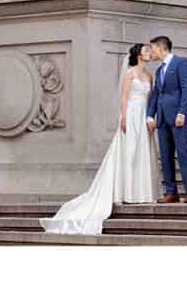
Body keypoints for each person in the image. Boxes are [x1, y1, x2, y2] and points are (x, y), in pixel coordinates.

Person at [40, 43, 159, 234]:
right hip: (131, 114)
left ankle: (142, 191)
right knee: (128, 153)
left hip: (143, 115)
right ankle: (126, 191)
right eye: (145, 51)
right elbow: (124, 98)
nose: (149, 53)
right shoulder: (130, 74)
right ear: (138, 55)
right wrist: (123, 117)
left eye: (149, 51)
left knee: (142, 153)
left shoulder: (149, 76)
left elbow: (151, 98)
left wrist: (150, 117)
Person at [146, 36, 187, 203]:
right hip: (162, 119)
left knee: (182, 153)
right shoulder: (159, 70)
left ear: (161, 48)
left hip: (178, 117)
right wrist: (149, 115)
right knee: (166, 155)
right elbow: (155, 95)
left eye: (152, 49)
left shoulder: (181, 64)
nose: (151, 52)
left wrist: (182, 112)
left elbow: (186, 89)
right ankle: (171, 192)